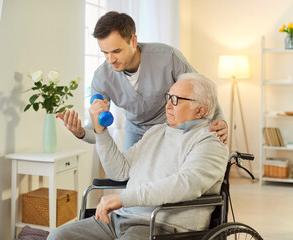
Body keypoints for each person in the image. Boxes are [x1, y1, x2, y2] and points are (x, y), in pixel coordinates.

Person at [47, 73, 229, 240]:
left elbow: (185, 185)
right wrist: (100, 131)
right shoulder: (156, 132)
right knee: (57, 236)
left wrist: (123, 198)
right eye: (168, 97)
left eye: (176, 100)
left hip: (161, 226)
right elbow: (119, 171)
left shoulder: (211, 142)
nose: (167, 105)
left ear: (200, 111)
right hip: (120, 218)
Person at [57, 11, 228, 150]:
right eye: (105, 52)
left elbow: (204, 94)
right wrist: (81, 132)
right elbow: (98, 129)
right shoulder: (102, 77)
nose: (111, 60)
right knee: (129, 179)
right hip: (136, 132)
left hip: (172, 127)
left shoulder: (168, 57)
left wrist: (220, 120)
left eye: (116, 51)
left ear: (133, 40)